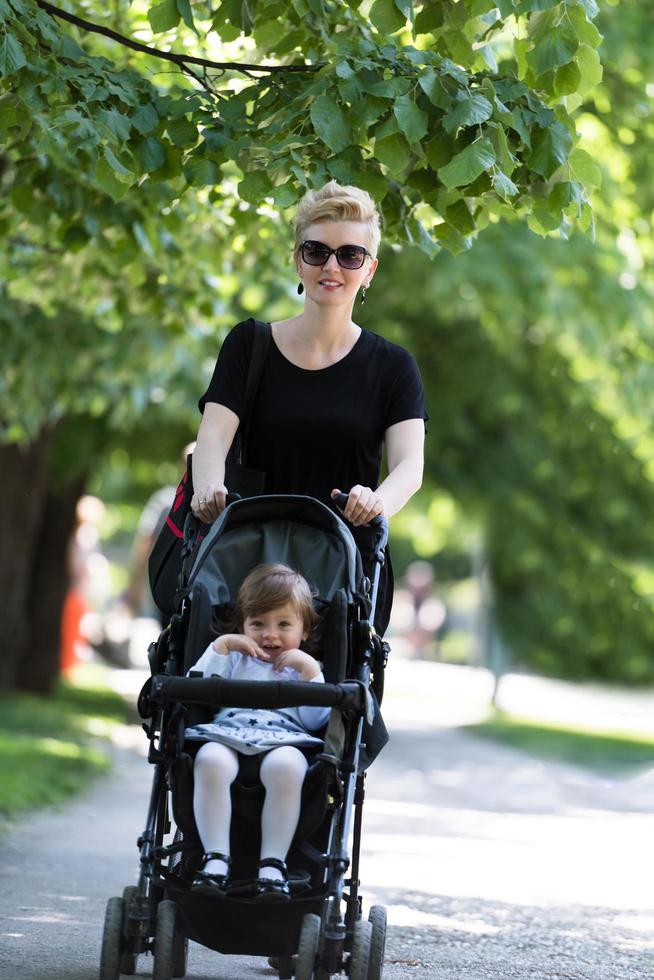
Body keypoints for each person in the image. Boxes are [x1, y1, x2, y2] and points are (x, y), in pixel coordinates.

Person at [190, 180, 428, 634]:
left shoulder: (394, 366)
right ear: (298, 259)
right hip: (249, 560)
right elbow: (213, 437)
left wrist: (376, 502)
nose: (332, 266)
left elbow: (409, 466)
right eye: (316, 251)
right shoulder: (249, 344)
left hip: (341, 573)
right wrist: (208, 490)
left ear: (369, 269)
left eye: (350, 255)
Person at [185, 563, 330, 902]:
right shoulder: (235, 656)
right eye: (257, 624)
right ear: (243, 625)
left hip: (285, 739)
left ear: (305, 630)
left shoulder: (304, 667)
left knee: (288, 768)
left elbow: (315, 721)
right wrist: (221, 647)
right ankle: (216, 858)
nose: (270, 635)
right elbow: (197, 687)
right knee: (208, 760)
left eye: (284, 624)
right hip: (228, 733)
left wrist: (309, 672)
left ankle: (273, 864)